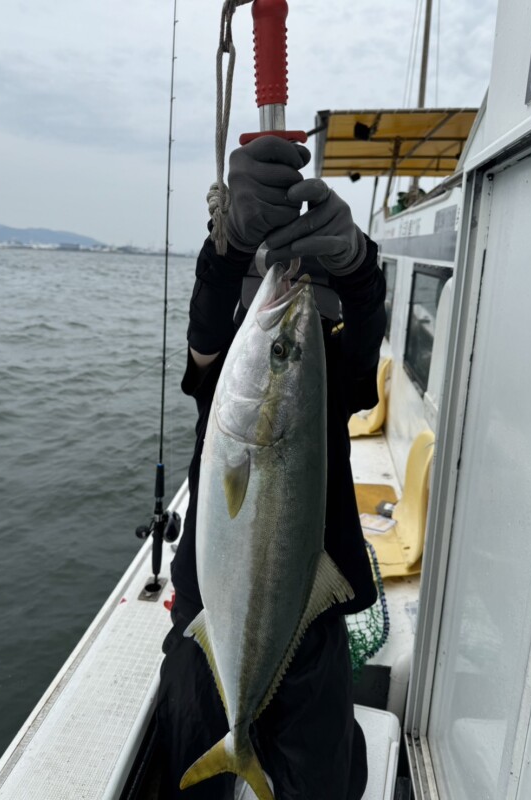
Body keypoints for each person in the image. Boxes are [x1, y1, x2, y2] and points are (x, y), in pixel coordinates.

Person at [155, 136, 386, 799]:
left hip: (308, 634)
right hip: (212, 625)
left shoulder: (327, 370)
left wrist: (362, 266)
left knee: (326, 784)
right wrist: (225, 245)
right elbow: (206, 342)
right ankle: (232, 741)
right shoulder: (228, 370)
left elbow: (363, 330)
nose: (293, 298)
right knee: (188, 781)